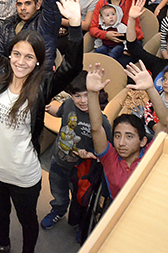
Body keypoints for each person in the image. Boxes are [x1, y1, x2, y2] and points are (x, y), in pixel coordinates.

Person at [0, 0, 83, 253]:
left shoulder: (43, 86)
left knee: (27, 219)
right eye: (16, 54)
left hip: (23, 174)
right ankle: (3, 245)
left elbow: (72, 66)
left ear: (38, 62)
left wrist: (77, 26)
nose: (21, 61)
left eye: (29, 57)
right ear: (9, 55)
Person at [41, 70, 112, 232]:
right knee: (58, 190)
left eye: (87, 95)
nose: (82, 101)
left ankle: (81, 223)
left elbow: (107, 150)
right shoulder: (68, 104)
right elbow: (58, 113)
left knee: (80, 199)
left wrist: (91, 155)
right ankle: (58, 210)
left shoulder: (102, 122)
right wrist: (46, 108)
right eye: (77, 96)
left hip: (82, 170)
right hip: (59, 161)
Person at [87, 61, 168, 198]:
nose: (121, 143)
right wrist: (92, 93)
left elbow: (165, 124)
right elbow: (96, 128)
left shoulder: (150, 154)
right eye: (118, 136)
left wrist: (150, 89)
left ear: (142, 141)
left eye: (129, 136)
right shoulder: (110, 158)